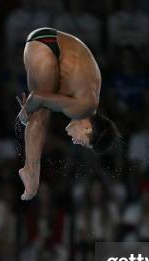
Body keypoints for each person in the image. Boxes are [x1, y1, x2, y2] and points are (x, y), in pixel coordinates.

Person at [16, 27, 120, 200]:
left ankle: (31, 169)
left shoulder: (88, 102)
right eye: (84, 143)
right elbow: (38, 97)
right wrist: (24, 113)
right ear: (87, 129)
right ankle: (32, 175)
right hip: (46, 46)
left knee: (38, 113)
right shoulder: (81, 108)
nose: (76, 142)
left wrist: (29, 111)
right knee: (41, 115)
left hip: (48, 44)